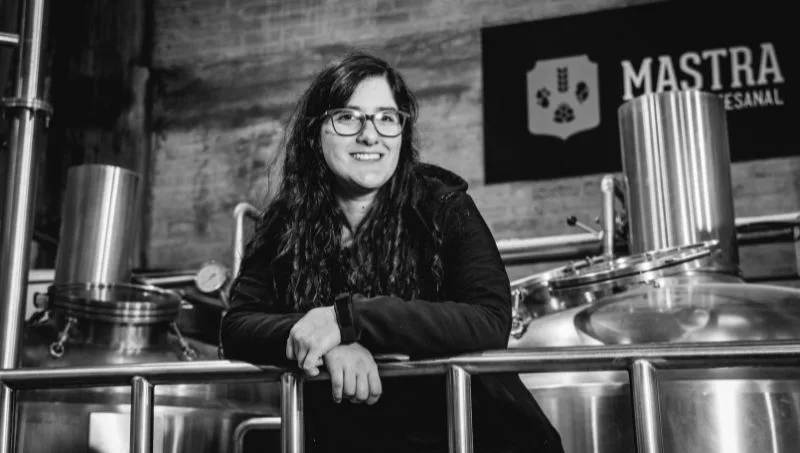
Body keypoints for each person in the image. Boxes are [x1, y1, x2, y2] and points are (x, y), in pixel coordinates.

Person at [220, 51, 564, 453]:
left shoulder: (441, 206)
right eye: (348, 117)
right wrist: (322, 342)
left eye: (386, 118)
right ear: (316, 133)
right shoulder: (288, 221)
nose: (370, 135)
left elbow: (489, 319)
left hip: (476, 438)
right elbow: (237, 326)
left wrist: (349, 319)